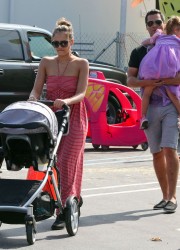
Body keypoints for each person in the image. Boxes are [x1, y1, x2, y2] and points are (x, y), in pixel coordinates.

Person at [28, 17, 89, 229]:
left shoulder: (81, 64)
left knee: (66, 162)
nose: (59, 47)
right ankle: (60, 202)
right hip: (52, 118)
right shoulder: (46, 62)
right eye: (56, 44)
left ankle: (65, 208)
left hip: (74, 117)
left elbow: (82, 93)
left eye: (63, 43)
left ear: (71, 42)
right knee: (50, 162)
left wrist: (66, 101)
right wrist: (33, 98)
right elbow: (37, 88)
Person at [127, 9, 180, 213]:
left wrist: (164, 82)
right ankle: (165, 195)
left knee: (170, 149)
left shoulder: (174, 47)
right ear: (146, 27)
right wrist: (147, 82)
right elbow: (130, 80)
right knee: (156, 153)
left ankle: (173, 197)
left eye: (158, 22)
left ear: (164, 24)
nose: (155, 26)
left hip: (169, 105)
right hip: (150, 108)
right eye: (151, 23)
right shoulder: (139, 52)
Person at [139, 16, 180, 130]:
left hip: (152, 68)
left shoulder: (159, 36)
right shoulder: (177, 41)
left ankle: (143, 117)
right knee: (173, 94)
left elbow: (145, 42)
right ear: (176, 30)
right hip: (169, 70)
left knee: (147, 92)